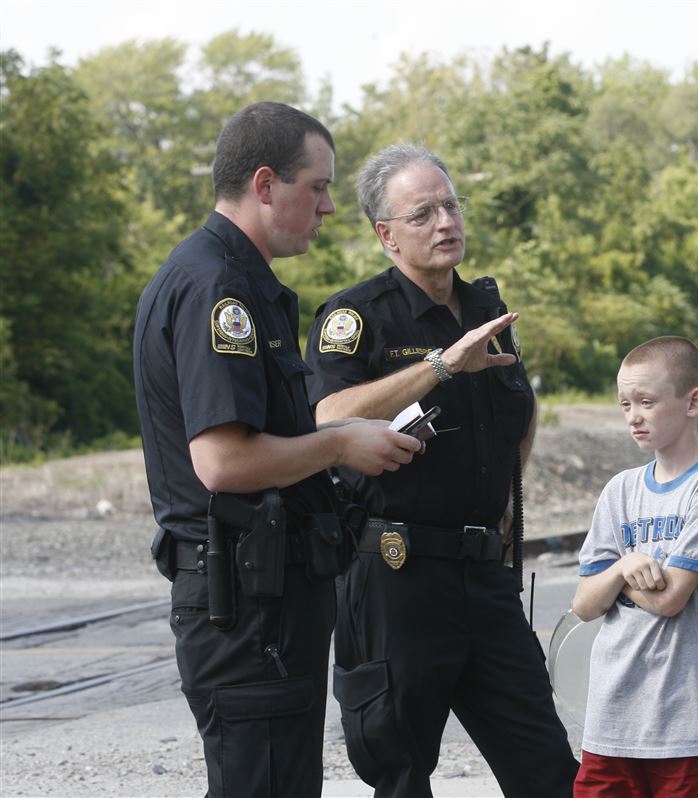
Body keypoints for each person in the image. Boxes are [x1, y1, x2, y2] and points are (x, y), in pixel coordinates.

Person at [132, 102, 424, 798]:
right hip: (246, 604)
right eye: (317, 187)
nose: (327, 207)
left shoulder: (230, 279)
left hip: (264, 597)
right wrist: (339, 444)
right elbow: (223, 462)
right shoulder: (218, 287)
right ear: (265, 185)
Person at [303, 143, 579, 798]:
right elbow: (327, 415)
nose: (445, 222)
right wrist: (440, 367)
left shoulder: (488, 309)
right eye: (423, 213)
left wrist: (508, 500)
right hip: (399, 576)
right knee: (402, 775)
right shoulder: (357, 317)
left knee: (548, 770)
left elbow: (521, 408)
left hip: (484, 576)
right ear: (386, 235)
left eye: (450, 205)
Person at [571, 336, 698, 798]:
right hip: (610, 725)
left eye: (647, 402)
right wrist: (621, 568)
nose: (633, 416)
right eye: (625, 404)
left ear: (694, 402)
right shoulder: (620, 490)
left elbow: (671, 599)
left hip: (689, 729)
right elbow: (585, 604)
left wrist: (612, 577)